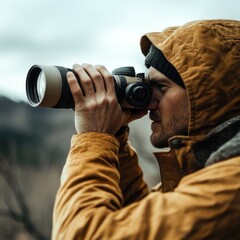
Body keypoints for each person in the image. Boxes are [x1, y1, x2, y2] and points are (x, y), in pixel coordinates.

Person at [52, 19, 240, 239]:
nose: (150, 103)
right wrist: (115, 138)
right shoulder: (209, 166)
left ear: (210, 97)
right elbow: (136, 221)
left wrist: (94, 139)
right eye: (147, 88)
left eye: (160, 87)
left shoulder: (231, 184)